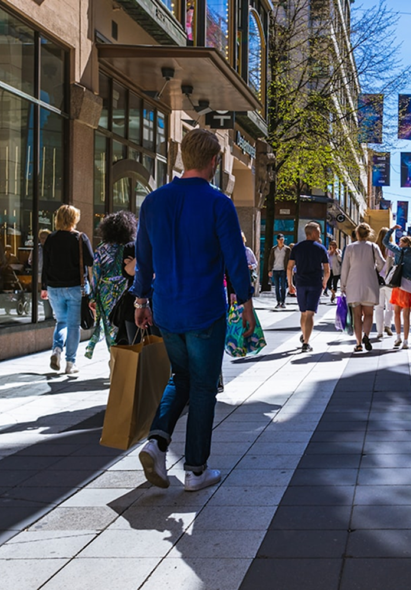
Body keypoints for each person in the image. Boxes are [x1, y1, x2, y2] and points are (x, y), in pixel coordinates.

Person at [134, 128, 256, 493]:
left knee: (180, 376)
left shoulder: (153, 202)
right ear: (214, 162)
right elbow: (236, 259)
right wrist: (246, 303)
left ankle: (156, 442)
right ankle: (195, 469)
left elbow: (143, 259)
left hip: (166, 307)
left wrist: (141, 301)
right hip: (205, 308)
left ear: (183, 157)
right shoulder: (219, 203)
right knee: (203, 386)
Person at [40, 205, 94, 375]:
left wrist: (44, 287)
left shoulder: (51, 238)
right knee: (73, 325)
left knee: (61, 322)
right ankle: (70, 363)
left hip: (54, 288)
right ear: (74, 219)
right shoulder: (80, 238)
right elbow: (91, 261)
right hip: (75, 288)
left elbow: (45, 265)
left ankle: (56, 350)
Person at [84, 211, 137, 359]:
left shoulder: (101, 248)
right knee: (123, 326)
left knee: (109, 326)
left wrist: (93, 297)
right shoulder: (131, 247)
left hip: (106, 292)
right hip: (126, 289)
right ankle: (123, 360)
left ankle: (114, 360)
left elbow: (95, 274)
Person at [341, 223, 385, 352]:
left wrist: (343, 285)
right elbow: (381, 264)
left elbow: (345, 268)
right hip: (370, 283)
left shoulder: (350, 248)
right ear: (368, 234)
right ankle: (366, 336)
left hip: (353, 284)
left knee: (356, 315)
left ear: (357, 234)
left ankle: (358, 343)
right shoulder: (373, 247)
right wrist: (375, 268)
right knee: (369, 314)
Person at [288, 222, 330, 352]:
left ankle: (305, 335)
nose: (319, 234)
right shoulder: (321, 248)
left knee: (303, 312)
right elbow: (327, 269)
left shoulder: (297, 248)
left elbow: (289, 267)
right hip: (315, 283)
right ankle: (306, 342)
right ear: (312, 233)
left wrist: (290, 284)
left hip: (300, 283)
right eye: (318, 231)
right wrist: (325, 282)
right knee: (310, 313)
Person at [383, 225, 411, 349]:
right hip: (410, 286)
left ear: (405, 243)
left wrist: (391, 229)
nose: (399, 244)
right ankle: (406, 341)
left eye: (401, 242)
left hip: (399, 284)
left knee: (396, 313)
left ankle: (398, 337)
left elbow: (385, 242)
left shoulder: (400, 252)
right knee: (406, 315)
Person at [29, 229, 53, 320]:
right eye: (41, 238)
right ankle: (46, 314)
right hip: (39, 275)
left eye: (45, 238)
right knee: (42, 295)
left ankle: (50, 314)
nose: (43, 240)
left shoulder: (52, 248)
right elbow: (30, 260)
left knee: (50, 296)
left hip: (50, 276)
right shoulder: (36, 249)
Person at [375, 228, 395, 339]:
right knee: (390, 306)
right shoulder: (391, 248)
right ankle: (388, 325)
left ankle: (379, 331)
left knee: (378, 307)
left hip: (377, 281)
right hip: (389, 280)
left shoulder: (375, 247)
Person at [267, 234, 290, 309]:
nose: (281, 241)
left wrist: (290, 270)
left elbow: (290, 260)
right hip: (275, 269)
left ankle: (283, 302)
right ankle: (278, 302)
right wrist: (270, 270)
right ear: (277, 240)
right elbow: (271, 260)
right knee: (277, 287)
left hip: (283, 269)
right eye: (280, 239)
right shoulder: (274, 249)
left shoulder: (287, 249)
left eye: (282, 239)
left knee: (283, 286)